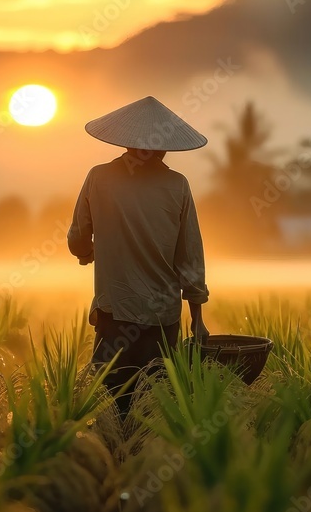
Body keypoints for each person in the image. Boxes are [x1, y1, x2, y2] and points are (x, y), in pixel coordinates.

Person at [67, 96, 211, 419]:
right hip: (163, 321)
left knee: (109, 407)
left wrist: (87, 252)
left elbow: (77, 238)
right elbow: (190, 257)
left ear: (126, 143)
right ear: (164, 149)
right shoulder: (178, 186)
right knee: (157, 408)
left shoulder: (98, 178)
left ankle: (112, 463)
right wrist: (198, 319)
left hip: (114, 314)